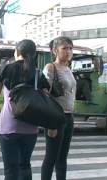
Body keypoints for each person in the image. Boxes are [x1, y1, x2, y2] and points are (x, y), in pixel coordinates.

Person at [0, 39, 49, 180]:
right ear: (34, 54)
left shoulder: (8, 68)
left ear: (17, 52)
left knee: (11, 170)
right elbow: (46, 96)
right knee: (25, 165)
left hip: (9, 126)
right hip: (30, 127)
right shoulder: (38, 73)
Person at [41, 36, 77, 180]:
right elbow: (45, 96)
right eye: (64, 48)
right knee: (51, 157)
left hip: (69, 116)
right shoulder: (50, 68)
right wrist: (51, 123)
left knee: (62, 158)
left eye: (70, 48)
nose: (68, 51)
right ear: (55, 51)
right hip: (56, 117)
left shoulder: (68, 68)